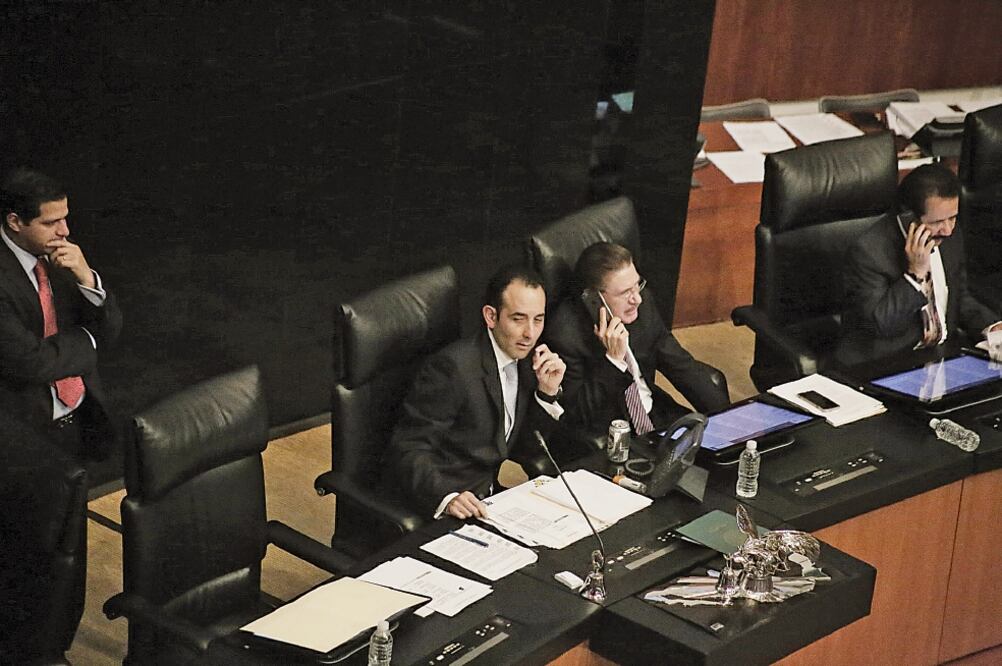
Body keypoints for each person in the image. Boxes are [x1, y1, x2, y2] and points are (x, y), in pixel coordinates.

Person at [389, 264, 566, 520]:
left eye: (538, 319)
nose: (530, 333)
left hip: (488, 502)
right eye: (518, 319)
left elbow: (524, 449)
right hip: (440, 508)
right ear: (491, 316)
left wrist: (547, 394)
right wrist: (447, 497)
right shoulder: (452, 369)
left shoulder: (529, 361)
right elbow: (408, 447)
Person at [547, 242, 729, 439]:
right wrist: (613, 361)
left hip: (655, 413)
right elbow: (579, 413)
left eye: (637, 286)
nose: (637, 299)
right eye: (625, 293)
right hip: (609, 433)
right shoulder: (564, 335)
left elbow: (681, 365)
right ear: (594, 299)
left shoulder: (641, 306)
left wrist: (728, 419)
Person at [0, 167, 122, 460]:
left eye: (64, 217)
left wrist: (87, 281)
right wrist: (88, 341)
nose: (64, 231)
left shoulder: (60, 252)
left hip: (81, 416)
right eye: (51, 222)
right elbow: (31, 362)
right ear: (15, 221)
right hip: (25, 438)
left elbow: (110, 330)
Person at [837, 163, 1001, 366]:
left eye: (953, 218)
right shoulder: (868, 252)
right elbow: (880, 326)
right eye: (937, 222)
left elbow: (959, 299)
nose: (948, 230)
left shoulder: (950, 235)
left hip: (940, 358)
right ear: (907, 216)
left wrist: (993, 328)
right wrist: (915, 275)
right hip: (887, 364)